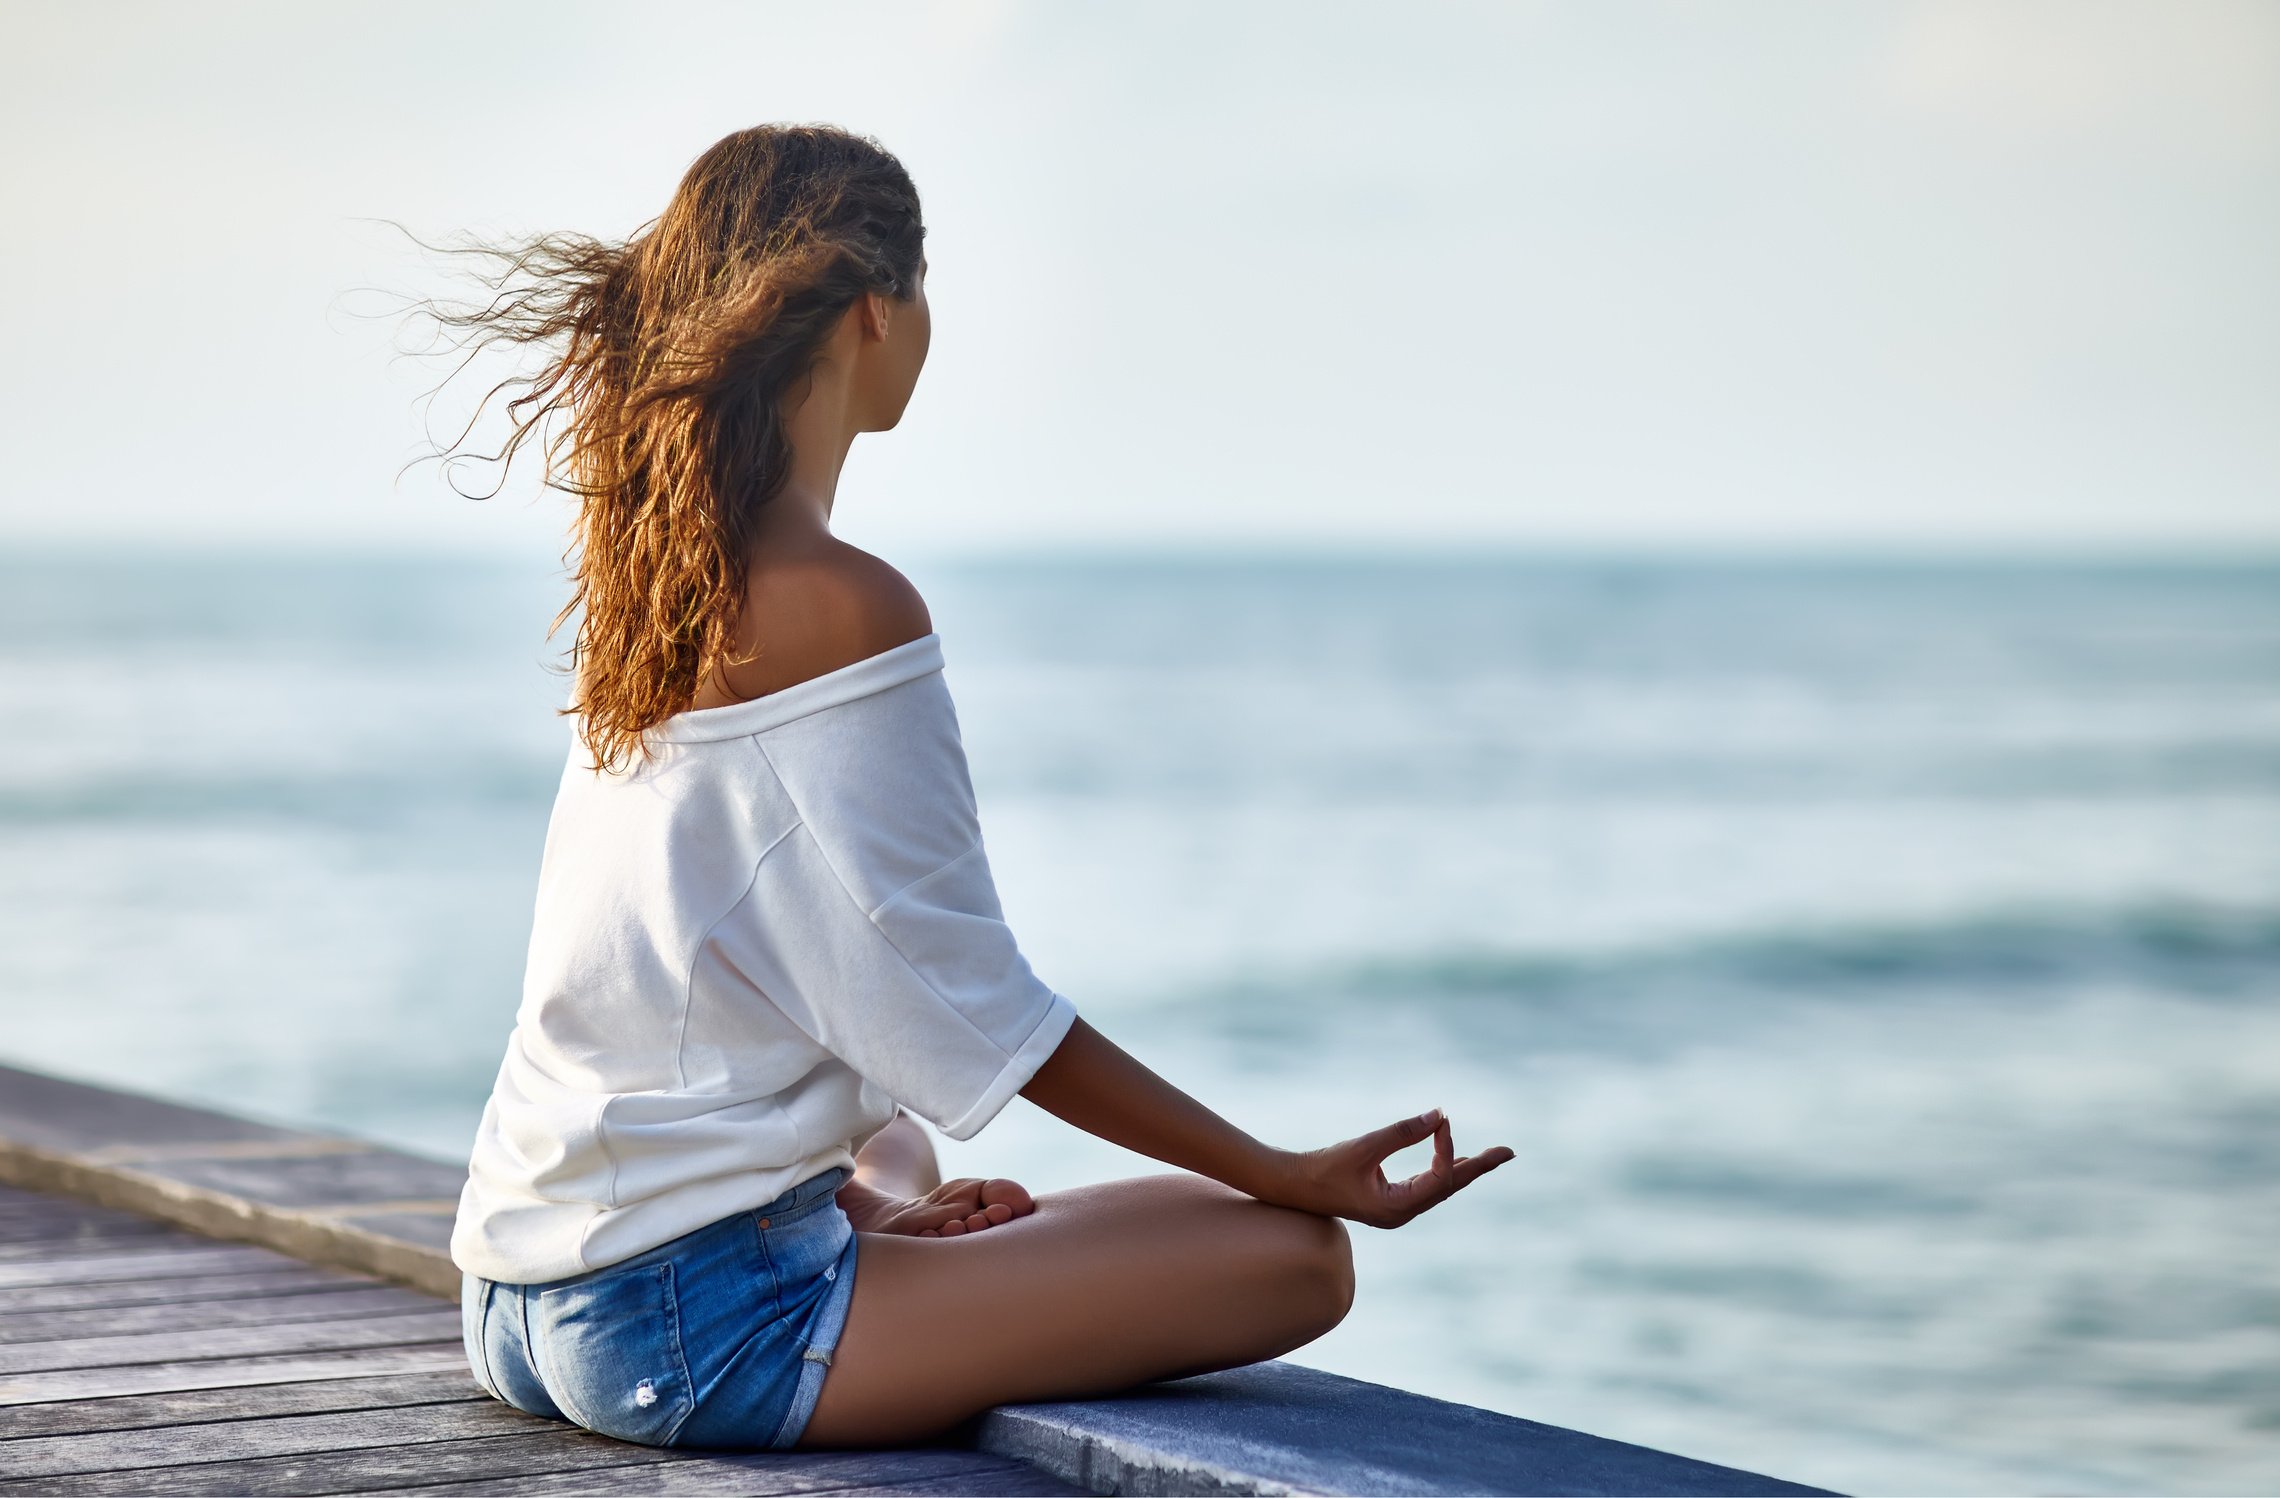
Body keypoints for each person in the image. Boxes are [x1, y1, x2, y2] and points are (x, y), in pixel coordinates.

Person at [438, 123, 1512, 1454]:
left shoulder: (653, 595)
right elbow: (974, 998)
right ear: (877, 313)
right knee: (1297, 1258)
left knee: (897, 1151)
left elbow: (775, 983)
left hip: (512, 1284)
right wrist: (1279, 1166)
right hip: (690, 1325)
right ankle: (864, 1231)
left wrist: (878, 1210)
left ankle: (865, 1215)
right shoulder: (844, 604)